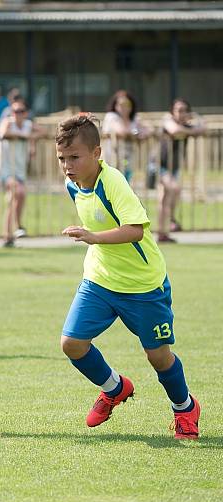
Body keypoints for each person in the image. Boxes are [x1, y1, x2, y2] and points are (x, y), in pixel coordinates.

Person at [57, 114, 200, 440]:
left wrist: (93, 237)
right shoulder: (73, 184)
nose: (67, 165)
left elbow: (135, 231)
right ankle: (115, 388)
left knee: (158, 357)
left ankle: (185, 408)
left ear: (97, 153)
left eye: (75, 157)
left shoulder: (114, 183)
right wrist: (94, 242)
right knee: (72, 344)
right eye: (62, 158)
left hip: (143, 286)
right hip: (100, 281)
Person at [0, 98, 45, 246]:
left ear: (26, 113)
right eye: (14, 111)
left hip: (19, 169)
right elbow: (2, 134)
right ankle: (17, 227)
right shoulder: (8, 122)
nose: (17, 114)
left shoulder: (28, 124)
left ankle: (8, 235)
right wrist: (24, 137)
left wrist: (31, 138)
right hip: (4, 168)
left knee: (14, 198)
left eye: (21, 111)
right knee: (18, 192)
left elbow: (43, 132)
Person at [158, 98, 206, 243]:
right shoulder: (167, 121)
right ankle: (171, 222)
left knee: (165, 199)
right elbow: (174, 130)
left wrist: (195, 118)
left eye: (185, 110)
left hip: (174, 168)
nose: (181, 113)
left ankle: (163, 233)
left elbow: (204, 129)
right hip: (160, 165)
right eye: (178, 110)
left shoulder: (187, 124)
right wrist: (190, 131)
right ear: (172, 112)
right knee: (174, 189)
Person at [101, 90, 149, 183]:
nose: (124, 107)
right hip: (111, 158)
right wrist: (136, 134)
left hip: (128, 158)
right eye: (120, 104)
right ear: (115, 105)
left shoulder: (134, 118)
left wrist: (140, 133)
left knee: (124, 184)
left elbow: (148, 130)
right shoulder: (111, 116)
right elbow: (121, 131)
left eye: (127, 104)